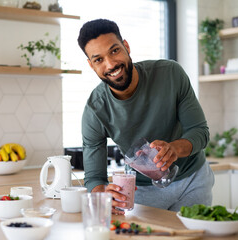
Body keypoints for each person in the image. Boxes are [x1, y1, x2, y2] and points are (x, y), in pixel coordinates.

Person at [77, 18, 214, 215]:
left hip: (193, 181)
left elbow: (200, 132)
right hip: (142, 191)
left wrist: (173, 149)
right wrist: (104, 195)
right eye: (99, 59)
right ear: (91, 65)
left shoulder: (170, 74)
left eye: (114, 50)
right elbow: (94, 177)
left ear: (126, 47)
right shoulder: (95, 110)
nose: (110, 64)